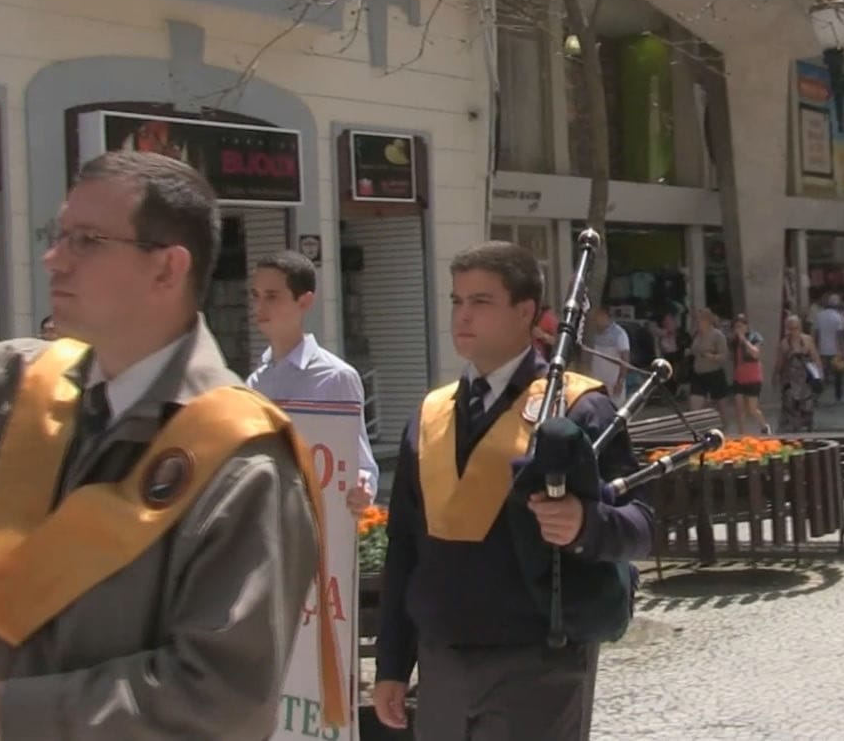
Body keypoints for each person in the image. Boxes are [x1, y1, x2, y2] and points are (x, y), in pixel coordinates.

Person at [0, 25, 336, 740]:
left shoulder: (243, 463)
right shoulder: (20, 382)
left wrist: (2, 714)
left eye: (87, 242)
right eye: (57, 236)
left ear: (168, 268)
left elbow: (220, 700)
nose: (55, 260)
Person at [372, 241, 653, 740]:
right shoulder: (429, 414)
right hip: (443, 663)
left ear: (526, 312)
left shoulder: (579, 407)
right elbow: (405, 549)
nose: (463, 316)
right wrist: (393, 664)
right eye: (457, 301)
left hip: (538, 662)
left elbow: (643, 524)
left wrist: (586, 523)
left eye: (481, 302)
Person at [247, 249, 378, 513]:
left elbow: (361, 463)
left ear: (304, 302)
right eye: (256, 296)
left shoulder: (336, 377)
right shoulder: (254, 382)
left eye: (272, 296)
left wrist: (362, 488)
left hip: (321, 526)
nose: (260, 308)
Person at [775, 315, 821, 432]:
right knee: (790, 404)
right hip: (790, 380)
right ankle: (793, 428)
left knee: (807, 405)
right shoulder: (784, 343)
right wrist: (775, 376)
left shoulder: (807, 340)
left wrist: (819, 375)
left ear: (800, 327)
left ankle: (807, 426)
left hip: (805, 379)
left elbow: (815, 358)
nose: (793, 331)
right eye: (790, 328)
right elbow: (779, 363)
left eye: (795, 328)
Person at [687, 308, 731, 421]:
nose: (697, 322)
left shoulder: (717, 335)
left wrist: (711, 356)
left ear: (707, 320)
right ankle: (698, 429)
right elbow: (695, 350)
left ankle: (725, 430)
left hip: (714, 374)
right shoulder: (697, 335)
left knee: (721, 407)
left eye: (699, 320)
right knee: (694, 405)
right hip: (698, 375)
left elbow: (724, 356)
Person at [730, 314, 770, 434]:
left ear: (746, 326)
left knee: (752, 408)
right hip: (739, 377)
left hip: (753, 377)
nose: (739, 329)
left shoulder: (755, 337)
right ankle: (741, 434)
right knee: (739, 407)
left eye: (741, 326)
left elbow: (755, 353)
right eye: (736, 327)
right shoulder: (734, 340)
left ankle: (764, 427)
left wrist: (744, 340)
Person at [585, 305, 631, 405]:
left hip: (613, 383)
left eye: (598, 316)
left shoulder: (619, 334)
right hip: (598, 381)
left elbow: (625, 359)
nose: (596, 320)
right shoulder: (594, 334)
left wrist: (620, 381)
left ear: (606, 316)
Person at [813, 295, 844, 401]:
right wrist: (841, 350)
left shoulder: (819, 316)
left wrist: (815, 348)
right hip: (835, 350)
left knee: (820, 373)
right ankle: (838, 395)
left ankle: (817, 394)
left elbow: (816, 334)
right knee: (838, 374)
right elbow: (840, 335)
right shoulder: (839, 317)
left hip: (822, 349)